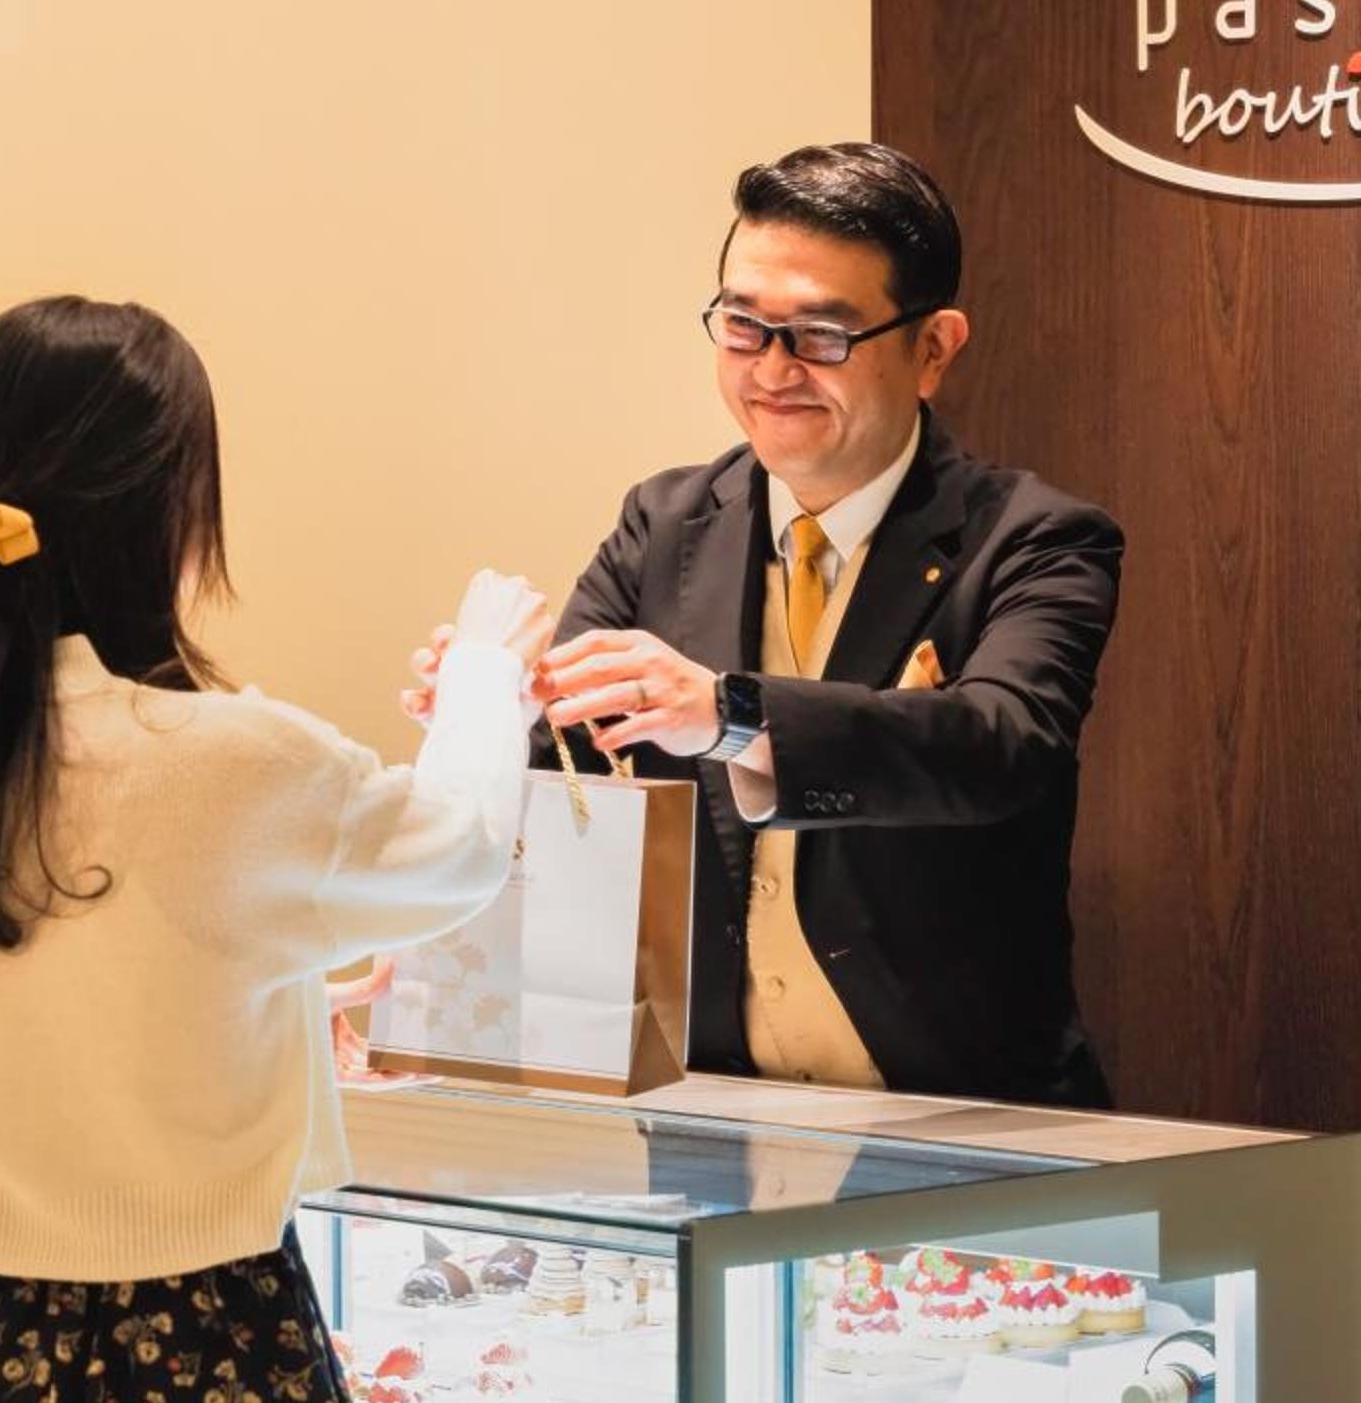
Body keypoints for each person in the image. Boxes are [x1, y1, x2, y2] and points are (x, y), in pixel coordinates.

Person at [0, 295, 552, 1403]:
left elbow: (24, 1000)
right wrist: (487, 671)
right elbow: (460, 843)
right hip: (209, 1358)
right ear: (175, 507)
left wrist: (257, 1004)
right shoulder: (227, 761)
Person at [418, 143, 1122, 1107]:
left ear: (933, 348)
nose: (774, 369)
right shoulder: (664, 524)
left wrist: (730, 715)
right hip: (710, 1110)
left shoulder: (1036, 538)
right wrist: (491, 712)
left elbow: (1002, 744)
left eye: (822, 335)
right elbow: (569, 760)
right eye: (744, 327)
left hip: (964, 1116)